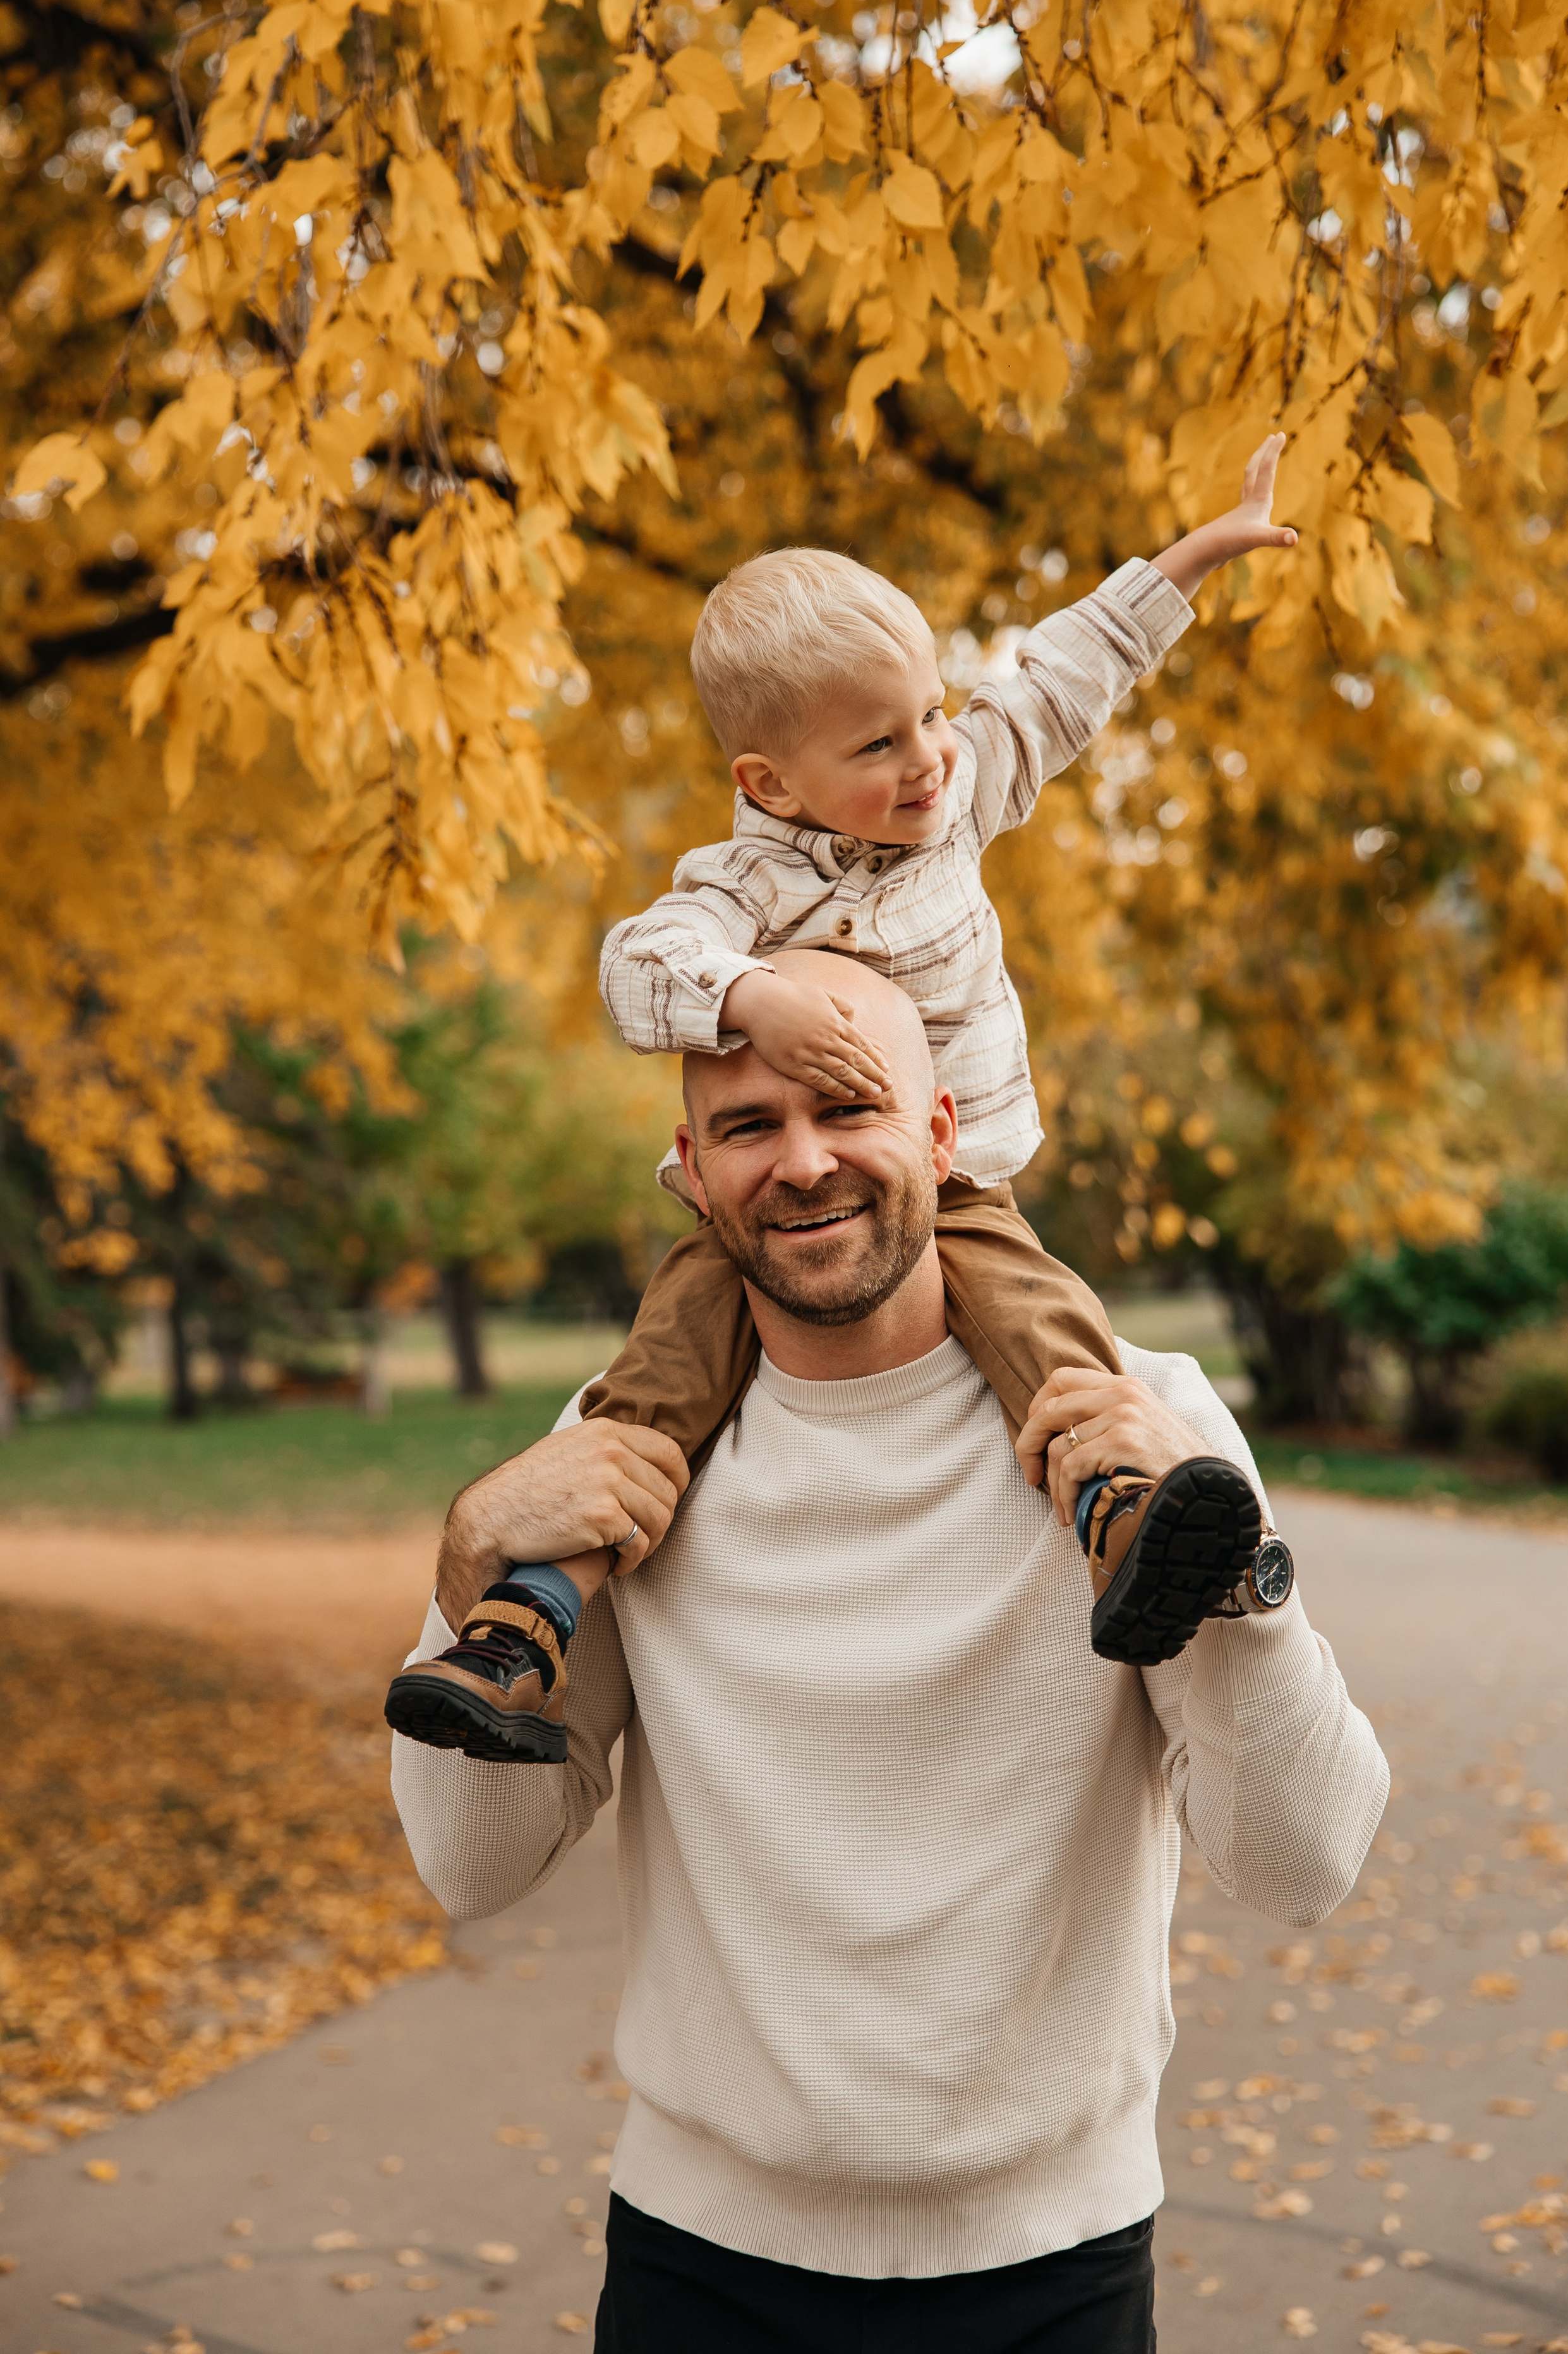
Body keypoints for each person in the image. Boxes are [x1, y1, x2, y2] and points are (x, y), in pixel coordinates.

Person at [390, 957, 1387, 2353]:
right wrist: (465, 1576)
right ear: (689, 1171)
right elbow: (470, 1867)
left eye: (847, 1109)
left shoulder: (1140, 1435)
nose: (801, 1164)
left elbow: (1302, 1865)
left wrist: (1241, 1588)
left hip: (1056, 2269)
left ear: (937, 1136)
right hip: (699, 2268)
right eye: (746, 1127)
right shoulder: (623, 1454)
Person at [385, 442, 1300, 1763]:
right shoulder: (743, 884)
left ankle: (1126, 1522)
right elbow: (635, 963)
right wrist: (752, 1001)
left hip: (960, 1184)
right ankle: (525, 1623)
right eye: (877, 742)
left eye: (928, 713)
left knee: (1046, 1328)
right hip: (756, 1225)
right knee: (652, 1389)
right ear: (770, 781)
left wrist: (1192, 562)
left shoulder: (960, 794)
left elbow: (1063, 677)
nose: (928, 760)